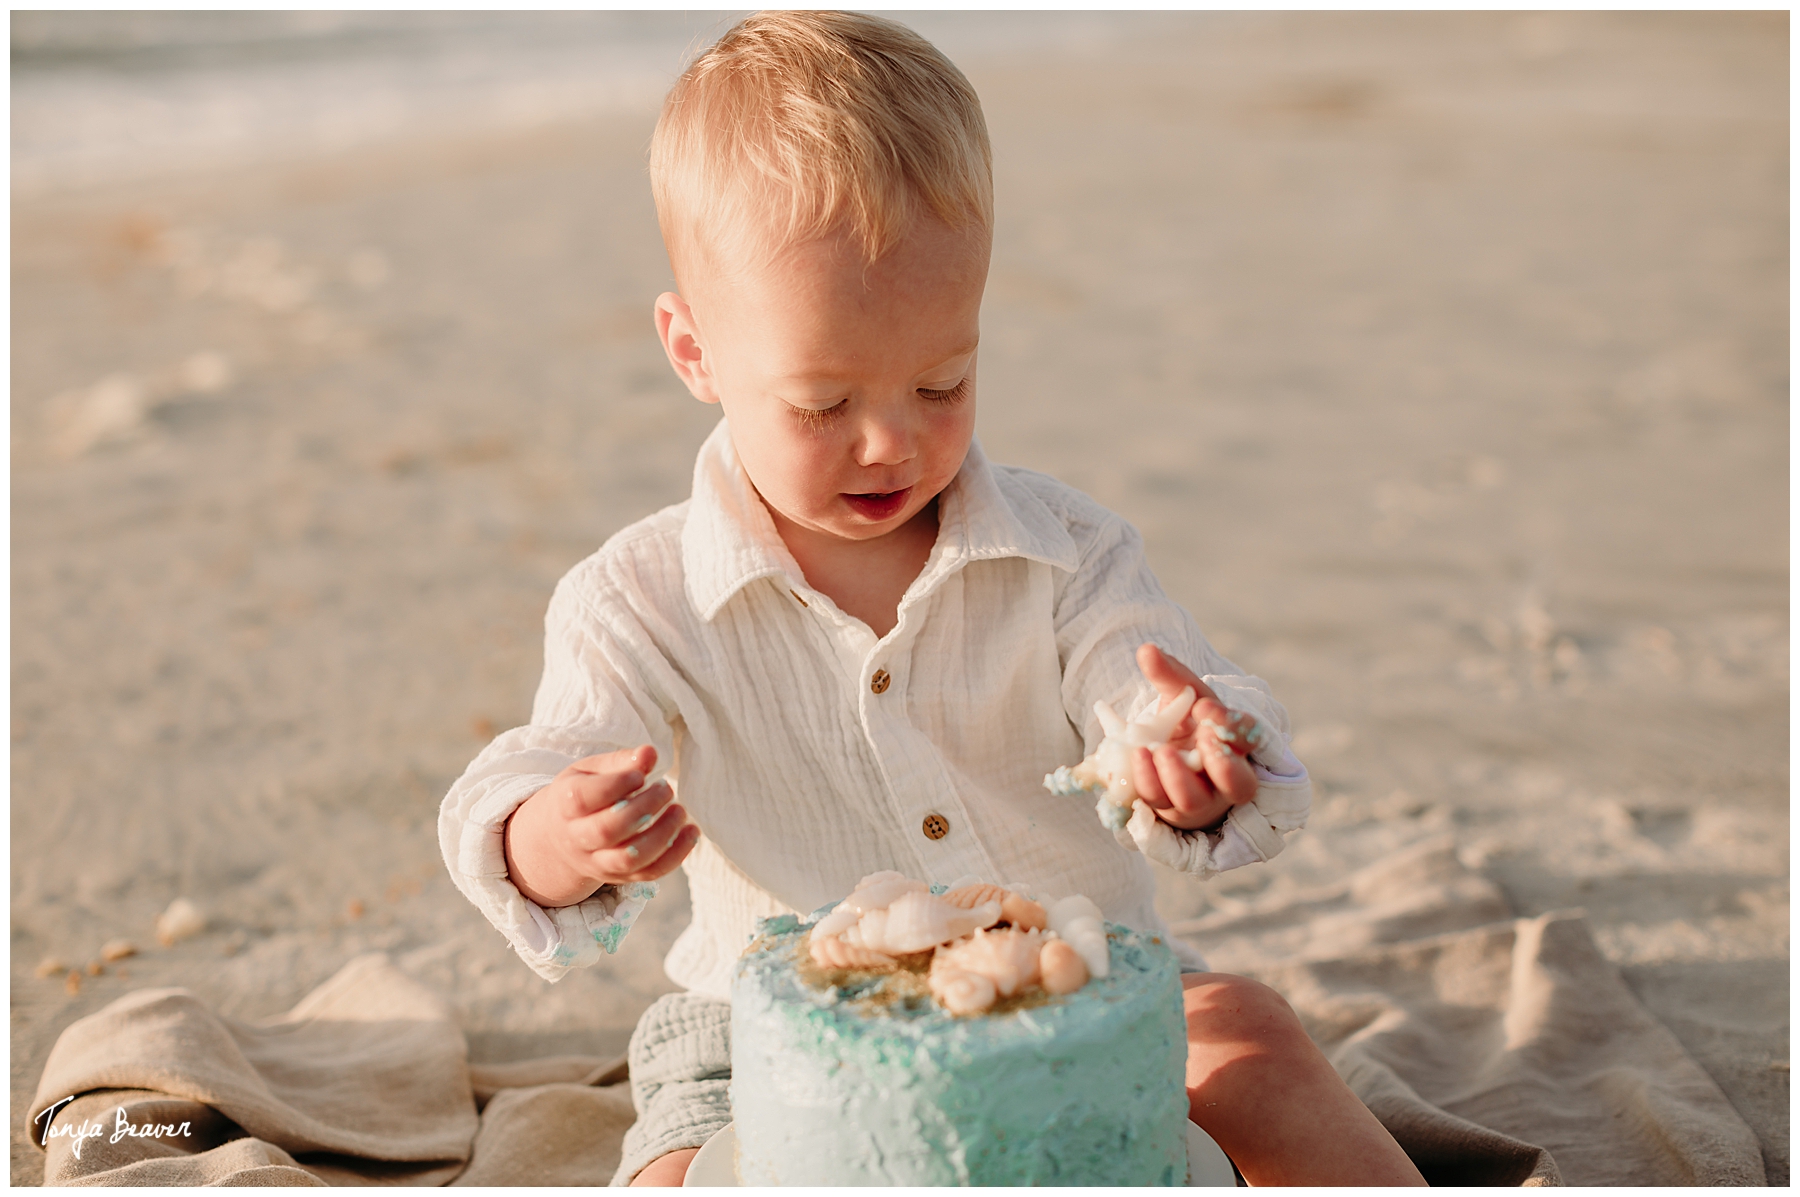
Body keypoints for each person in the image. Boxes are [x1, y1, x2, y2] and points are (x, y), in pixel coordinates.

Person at [439, 11, 1424, 1187]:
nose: (891, 442)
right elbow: (525, 777)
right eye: (821, 403)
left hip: (1072, 972)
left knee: (1251, 1033)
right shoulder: (638, 601)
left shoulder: (1068, 553)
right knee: (678, 1171)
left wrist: (1192, 757)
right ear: (694, 352)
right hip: (762, 1017)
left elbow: (1145, 689)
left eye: (942, 381)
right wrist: (557, 836)